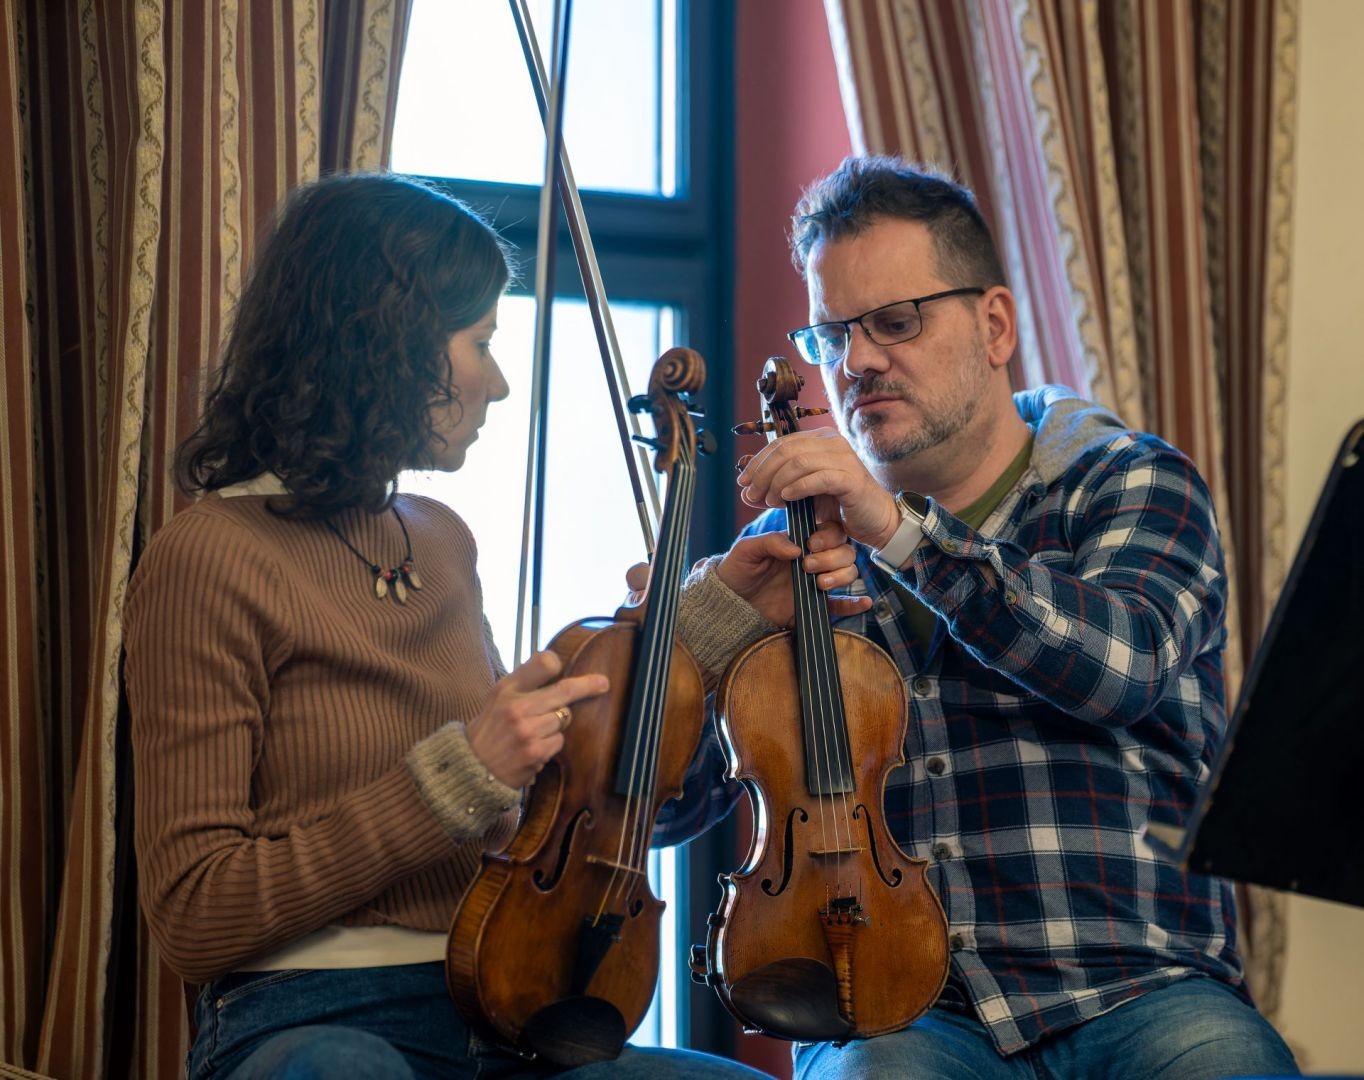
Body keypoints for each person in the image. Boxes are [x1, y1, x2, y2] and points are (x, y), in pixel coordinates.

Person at [124, 172, 859, 1079]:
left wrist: (715, 618)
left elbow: (552, 798)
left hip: (503, 1000)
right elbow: (194, 919)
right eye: (480, 343)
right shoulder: (207, 557)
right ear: (386, 342)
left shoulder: (440, 540)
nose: (501, 384)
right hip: (311, 1016)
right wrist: (456, 777)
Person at [658, 156, 1301, 1079]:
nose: (856, 361)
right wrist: (706, 630)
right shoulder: (783, 547)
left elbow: (1121, 670)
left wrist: (897, 533)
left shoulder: (1129, 481)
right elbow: (667, 812)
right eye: (832, 333)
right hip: (897, 1009)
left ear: (994, 325)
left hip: (1142, 988)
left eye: (895, 321)